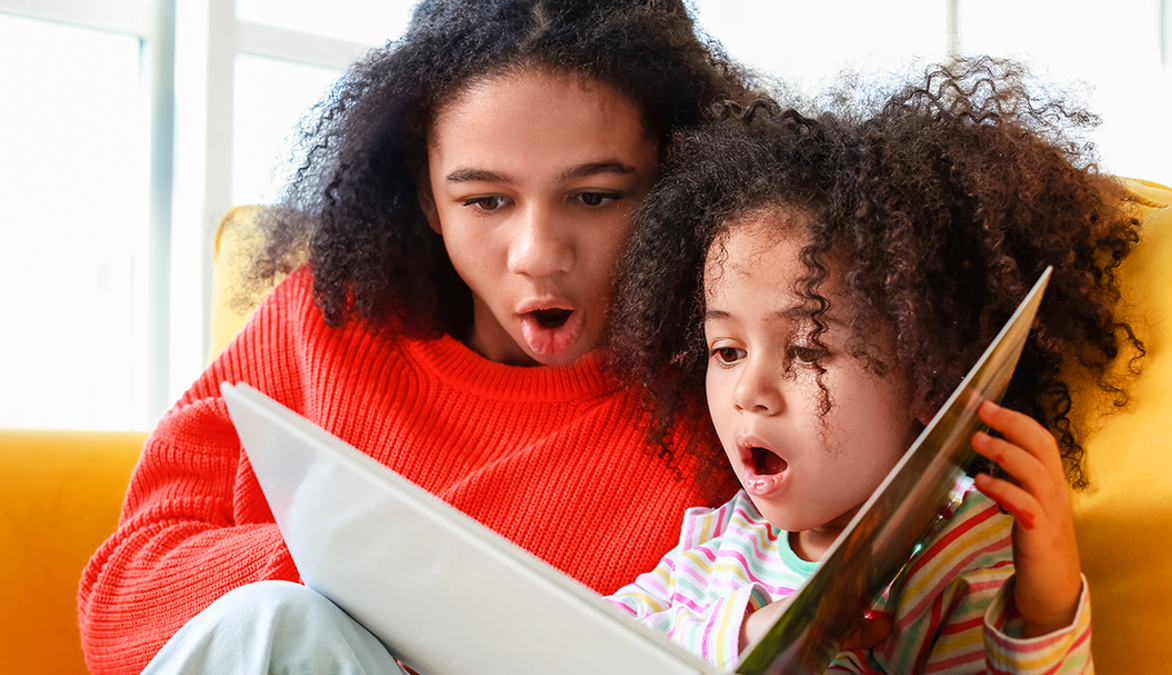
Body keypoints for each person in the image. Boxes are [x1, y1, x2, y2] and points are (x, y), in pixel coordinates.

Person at [77, 1, 750, 673]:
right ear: (428, 196)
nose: (538, 254)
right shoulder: (327, 319)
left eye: (595, 196)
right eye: (485, 200)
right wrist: (364, 565)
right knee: (279, 622)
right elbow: (120, 606)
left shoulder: (733, 392)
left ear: (674, 182)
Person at [605, 58, 1143, 672]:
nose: (748, 391)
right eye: (727, 351)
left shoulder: (958, 555)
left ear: (930, 375)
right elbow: (582, 643)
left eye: (807, 349)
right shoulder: (721, 541)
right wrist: (747, 635)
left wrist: (1045, 616)